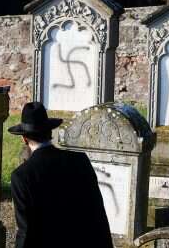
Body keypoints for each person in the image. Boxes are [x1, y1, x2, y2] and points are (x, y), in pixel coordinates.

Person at [8, 102, 113, 248]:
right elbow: (98, 213)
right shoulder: (80, 160)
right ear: (50, 133)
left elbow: (26, 230)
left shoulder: (21, 176)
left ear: (24, 139)